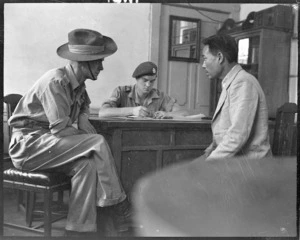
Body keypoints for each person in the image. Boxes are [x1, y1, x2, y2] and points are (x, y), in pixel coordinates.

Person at [8, 29, 132, 237]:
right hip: (28, 146)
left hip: (48, 143)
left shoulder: (78, 84)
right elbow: (60, 130)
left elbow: (83, 107)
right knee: (98, 142)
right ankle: (119, 204)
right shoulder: (56, 81)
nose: (101, 67)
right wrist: (86, 135)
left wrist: (83, 116)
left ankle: (77, 230)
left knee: (87, 165)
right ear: (83, 62)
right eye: (98, 61)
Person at [201, 34, 272, 160]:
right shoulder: (231, 82)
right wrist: (209, 152)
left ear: (219, 57)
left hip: (250, 167)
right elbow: (226, 131)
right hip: (237, 163)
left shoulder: (243, 82)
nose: (203, 65)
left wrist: (207, 163)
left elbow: (237, 136)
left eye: (205, 59)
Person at [98, 61, 199, 119]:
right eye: (145, 80)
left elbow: (184, 113)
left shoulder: (160, 96)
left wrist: (167, 114)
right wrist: (132, 111)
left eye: (152, 81)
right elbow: (103, 112)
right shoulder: (121, 91)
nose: (148, 85)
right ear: (136, 79)